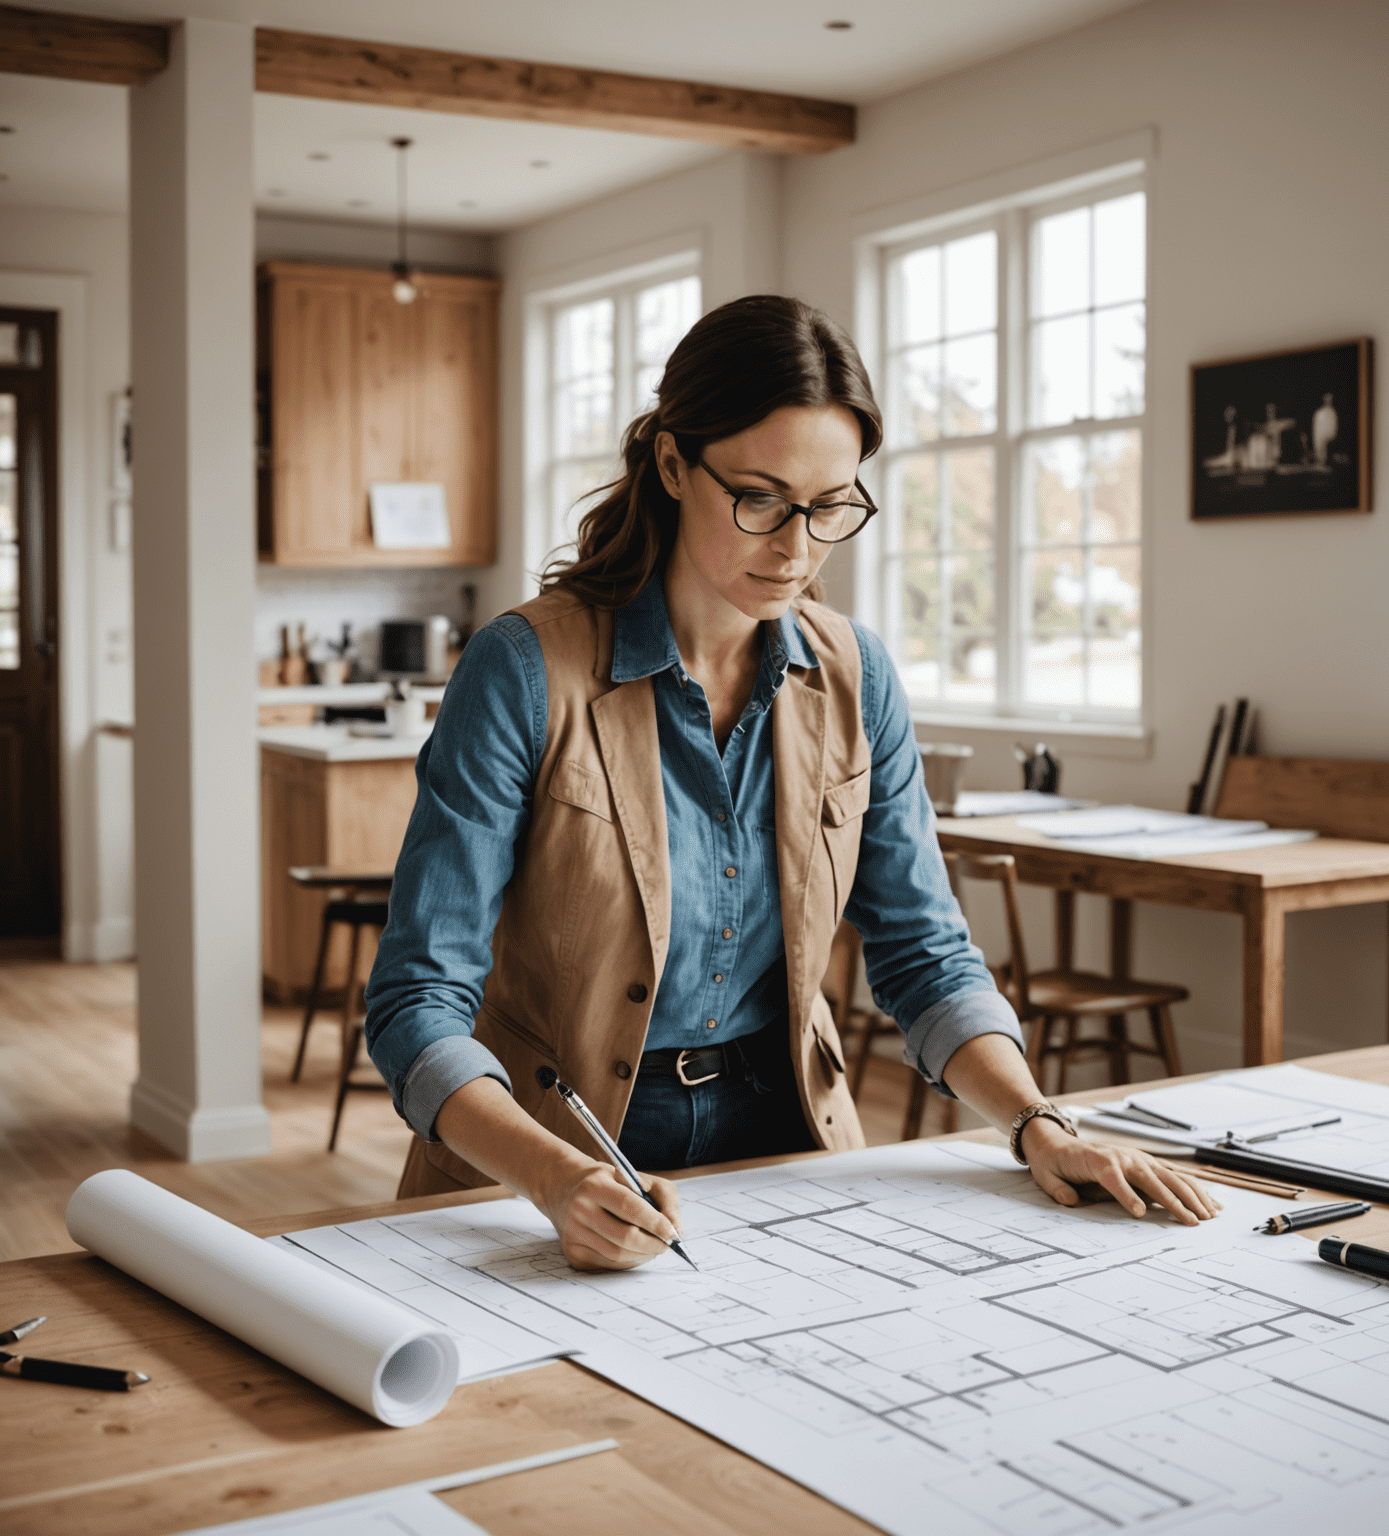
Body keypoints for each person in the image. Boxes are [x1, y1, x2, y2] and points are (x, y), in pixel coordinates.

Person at [365, 295, 1217, 1274]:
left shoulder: (858, 676)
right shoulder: (522, 671)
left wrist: (1037, 1121)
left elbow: (925, 954)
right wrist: (557, 1178)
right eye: (761, 499)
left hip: (791, 1138)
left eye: (831, 506)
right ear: (675, 463)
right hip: (545, 1152)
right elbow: (416, 1001)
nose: (797, 547)